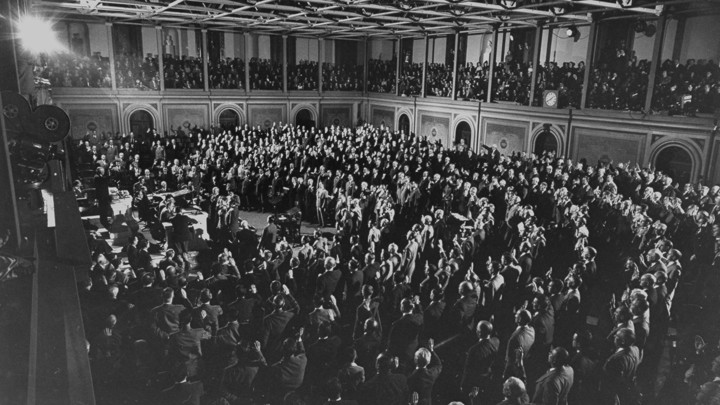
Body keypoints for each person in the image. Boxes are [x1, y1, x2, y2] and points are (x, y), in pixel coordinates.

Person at [407, 340, 443, 405]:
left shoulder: (410, 378)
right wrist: (432, 350)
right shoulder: (431, 375)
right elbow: (438, 365)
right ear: (428, 362)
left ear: (415, 360)